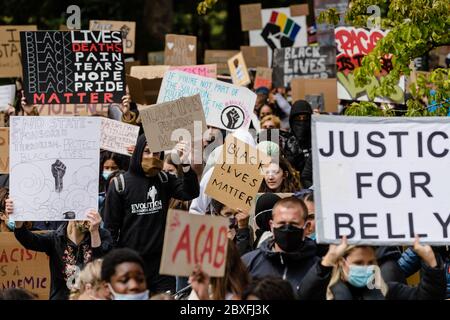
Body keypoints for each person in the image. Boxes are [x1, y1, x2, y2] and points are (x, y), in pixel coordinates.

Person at [103, 134, 199, 295]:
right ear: (138, 152)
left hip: (161, 266)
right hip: (131, 265)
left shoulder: (164, 179)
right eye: (146, 152)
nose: (151, 157)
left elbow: (191, 192)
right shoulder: (120, 185)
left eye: (156, 154)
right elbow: (110, 230)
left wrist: (185, 163)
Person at [5, 199, 113, 300]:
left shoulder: (101, 235)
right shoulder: (55, 238)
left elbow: (102, 265)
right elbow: (28, 240)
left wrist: (94, 232)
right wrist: (18, 222)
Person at [298, 236, 446, 300]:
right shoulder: (326, 293)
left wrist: (431, 262)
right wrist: (328, 260)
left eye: (370, 263)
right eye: (359, 262)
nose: (366, 268)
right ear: (342, 262)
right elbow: (305, 295)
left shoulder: (388, 291)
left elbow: (428, 296)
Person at [241, 197, 319, 293]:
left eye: (293, 224)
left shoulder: (318, 269)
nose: (287, 229)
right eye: (281, 223)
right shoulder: (249, 263)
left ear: (307, 227)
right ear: (272, 226)